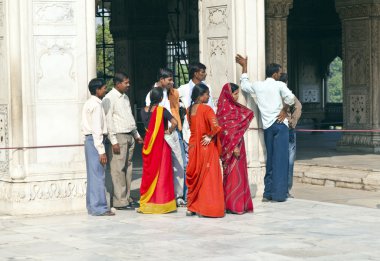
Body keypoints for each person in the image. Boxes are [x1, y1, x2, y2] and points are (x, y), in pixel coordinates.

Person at [236, 54, 295, 202]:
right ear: (275, 74)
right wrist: (284, 110)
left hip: (267, 126)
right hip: (280, 126)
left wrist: (244, 67)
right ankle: (279, 195)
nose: (280, 75)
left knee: (270, 160)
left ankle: (267, 193)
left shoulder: (258, 85)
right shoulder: (280, 85)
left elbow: (244, 84)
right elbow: (291, 98)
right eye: (279, 73)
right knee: (281, 160)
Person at [102, 72, 143, 210]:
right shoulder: (109, 98)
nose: (128, 85)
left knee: (128, 168)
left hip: (129, 135)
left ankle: (126, 198)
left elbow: (129, 116)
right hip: (118, 136)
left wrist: (136, 134)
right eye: (126, 83)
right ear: (118, 83)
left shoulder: (125, 97)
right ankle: (119, 201)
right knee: (118, 169)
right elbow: (108, 120)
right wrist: (113, 141)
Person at [145, 68, 186, 207]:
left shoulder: (172, 92)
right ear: (161, 80)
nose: (172, 82)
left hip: (172, 132)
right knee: (162, 166)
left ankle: (178, 196)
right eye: (169, 80)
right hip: (161, 135)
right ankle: (162, 195)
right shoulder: (152, 94)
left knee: (179, 164)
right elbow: (150, 116)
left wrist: (172, 129)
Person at [186, 83, 225, 218]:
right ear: (200, 96)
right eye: (207, 94)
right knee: (209, 177)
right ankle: (209, 208)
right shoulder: (206, 109)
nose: (209, 96)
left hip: (193, 147)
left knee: (195, 177)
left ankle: (192, 207)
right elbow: (216, 127)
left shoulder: (189, 109)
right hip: (205, 146)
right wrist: (209, 136)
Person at [178, 62, 215, 201]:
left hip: (205, 135)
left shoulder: (208, 88)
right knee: (191, 166)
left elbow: (212, 110)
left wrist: (211, 133)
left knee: (205, 166)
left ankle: (203, 195)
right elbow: (172, 100)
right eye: (202, 72)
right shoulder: (183, 89)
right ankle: (190, 196)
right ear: (195, 73)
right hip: (190, 134)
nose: (205, 74)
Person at [138, 88, 178, 214]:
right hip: (160, 145)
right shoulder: (162, 111)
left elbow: (146, 126)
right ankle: (162, 203)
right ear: (161, 99)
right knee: (162, 174)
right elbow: (175, 122)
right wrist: (169, 130)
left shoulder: (142, 111)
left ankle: (147, 203)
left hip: (148, 144)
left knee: (149, 173)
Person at [216, 83, 254, 214]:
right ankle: (233, 205)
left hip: (237, 144)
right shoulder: (223, 109)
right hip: (231, 147)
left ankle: (238, 204)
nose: (237, 97)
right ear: (228, 94)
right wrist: (234, 147)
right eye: (235, 94)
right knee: (232, 175)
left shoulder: (234, 108)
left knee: (239, 174)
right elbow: (225, 131)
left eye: (237, 93)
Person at [81, 78, 115, 216]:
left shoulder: (89, 103)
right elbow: (96, 129)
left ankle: (92, 206)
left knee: (93, 175)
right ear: (97, 90)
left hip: (90, 141)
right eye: (103, 88)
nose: (105, 90)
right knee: (98, 175)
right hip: (95, 141)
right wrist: (101, 151)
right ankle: (99, 207)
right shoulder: (95, 105)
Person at [279, 73, 302, 198]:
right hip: (287, 127)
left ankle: (276, 188)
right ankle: (287, 189)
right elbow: (298, 106)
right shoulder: (286, 92)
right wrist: (293, 122)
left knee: (276, 158)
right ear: (286, 82)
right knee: (289, 160)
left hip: (273, 126)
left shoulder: (272, 90)